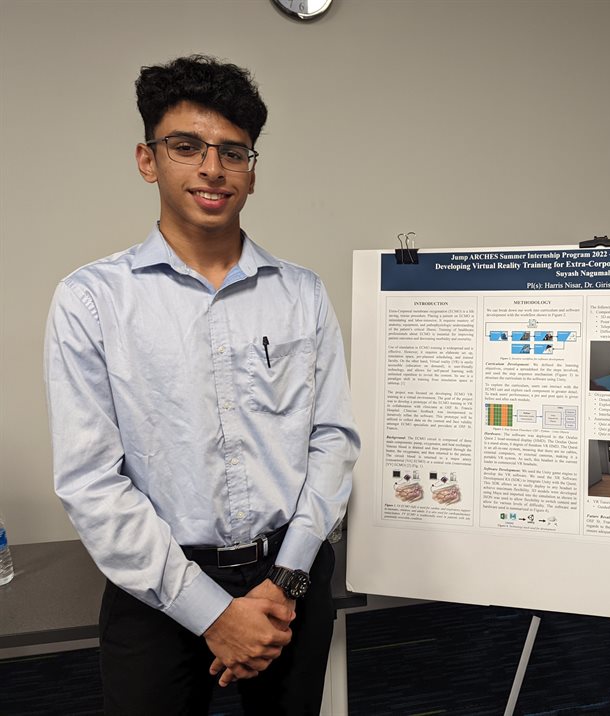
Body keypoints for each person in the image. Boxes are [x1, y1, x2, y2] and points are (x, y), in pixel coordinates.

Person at [43, 55, 359, 714]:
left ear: (251, 169)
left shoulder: (300, 293)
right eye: (186, 147)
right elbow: (91, 479)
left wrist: (284, 579)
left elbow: (332, 439)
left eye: (233, 152)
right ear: (147, 159)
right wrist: (212, 612)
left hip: (291, 574)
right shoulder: (91, 300)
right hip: (158, 585)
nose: (212, 169)